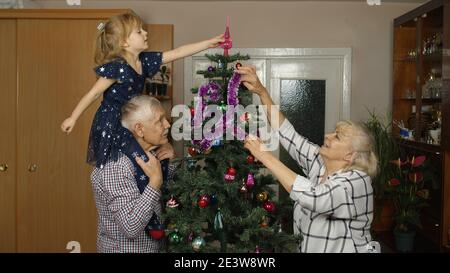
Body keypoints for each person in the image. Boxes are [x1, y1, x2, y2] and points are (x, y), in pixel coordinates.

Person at [237, 66, 378, 253]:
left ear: (350, 155)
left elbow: (314, 197)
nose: (327, 135)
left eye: (337, 137)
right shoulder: (320, 163)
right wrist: (261, 92)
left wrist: (263, 155)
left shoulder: (356, 181)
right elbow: (287, 133)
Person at [60, 11, 224, 168]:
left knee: (144, 159)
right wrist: (73, 118)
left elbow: (179, 52)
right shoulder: (118, 67)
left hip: (133, 118)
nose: (145, 33)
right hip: (112, 120)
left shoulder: (144, 61)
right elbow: (93, 93)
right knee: (119, 162)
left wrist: (208, 43)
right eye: (139, 32)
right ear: (124, 42)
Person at [91, 95, 174, 253]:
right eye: (160, 120)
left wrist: (171, 164)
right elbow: (130, 227)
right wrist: (155, 182)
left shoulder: (150, 155)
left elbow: (165, 199)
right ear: (139, 129)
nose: (168, 125)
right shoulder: (115, 166)